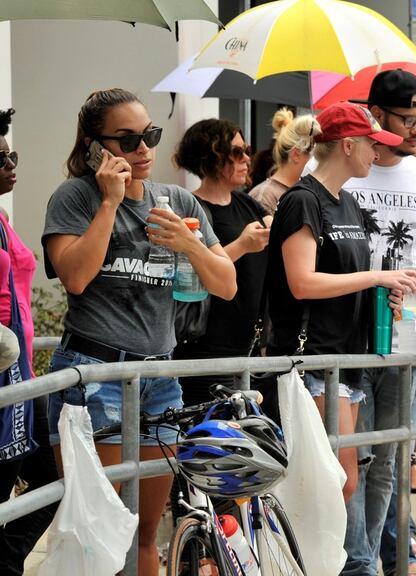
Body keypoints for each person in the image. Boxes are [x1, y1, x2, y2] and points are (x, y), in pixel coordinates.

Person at [43, 88, 236, 576]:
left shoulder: (177, 200)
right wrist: (109, 203)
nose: (144, 150)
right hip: (95, 372)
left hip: (159, 377)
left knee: (145, 531)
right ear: (95, 147)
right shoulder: (76, 197)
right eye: (128, 141)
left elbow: (227, 285)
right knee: (99, 536)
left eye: (149, 135)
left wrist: (190, 244)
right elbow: (76, 277)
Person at [342, 70, 416, 576]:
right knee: (350, 459)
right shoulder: (345, 169)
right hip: (342, 335)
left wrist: (411, 282)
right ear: (377, 114)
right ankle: (357, 564)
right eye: (407, 119)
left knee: (389, 459)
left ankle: (366, 562)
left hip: (404, 335)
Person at [172, 119, 272, 407]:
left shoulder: (248, 204)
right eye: (236, 152)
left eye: (247, 150)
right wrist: (242, 245)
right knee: (209, 438)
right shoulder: (192, 208)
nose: (246, 159)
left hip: (249, 346)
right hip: (206, 348)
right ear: (211, 156)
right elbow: (192, 270)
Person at [0, 107, 57, 576]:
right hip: (2, 377)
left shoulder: (0, 216)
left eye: (11, 154)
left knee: (50, 482)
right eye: (2, 159)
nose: (12, 165)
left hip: (21, 377)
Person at [248, 109, 316, 215]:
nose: (317, 161)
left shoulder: (305, 191)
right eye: (314, 155)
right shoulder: (264, 196)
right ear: (296, 155)